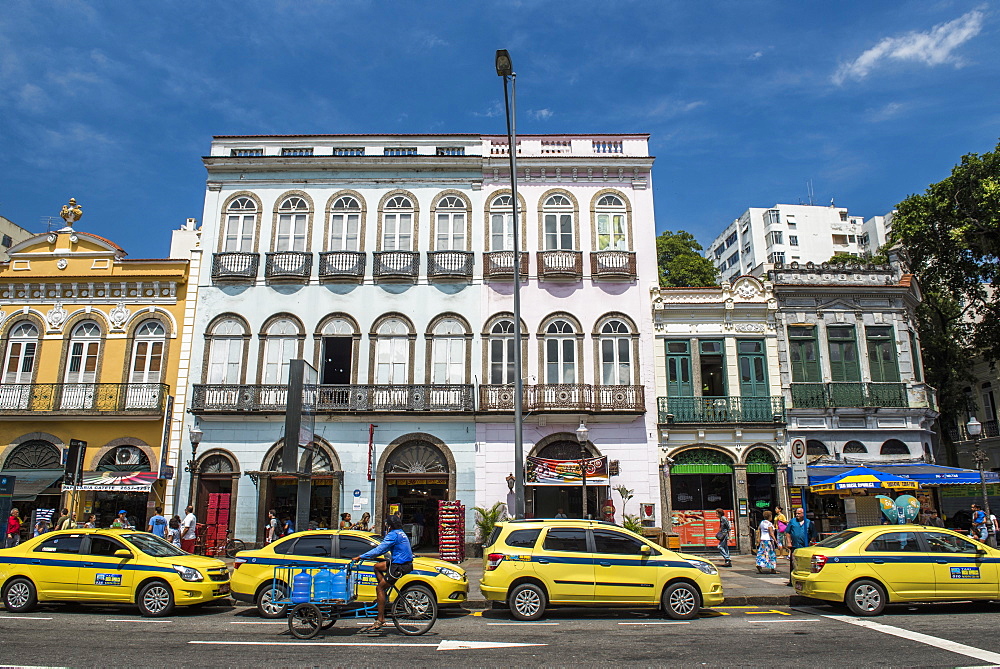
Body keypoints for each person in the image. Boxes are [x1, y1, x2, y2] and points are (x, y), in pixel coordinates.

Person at [350, 515, 414, 634]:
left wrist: (361, 556)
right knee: (377, 566)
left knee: (379, 587)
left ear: (390, 525)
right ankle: (383, 595)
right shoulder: (401, 533)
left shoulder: (393, 534)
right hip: (402, 562)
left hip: (399, 566)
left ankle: (380, 619)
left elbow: (380, 550)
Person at [784, 507, 818, 586]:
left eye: (799, 513)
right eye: (796, 513)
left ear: (803, 514)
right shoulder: (793, 522)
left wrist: (811, 542)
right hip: (795, 546)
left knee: (805, 565)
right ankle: (792, 580)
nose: (797, 515)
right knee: (793, 563)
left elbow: (814, 534)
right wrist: (789, 542)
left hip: (805, 547)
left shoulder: (808, 522)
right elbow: (787, 532)